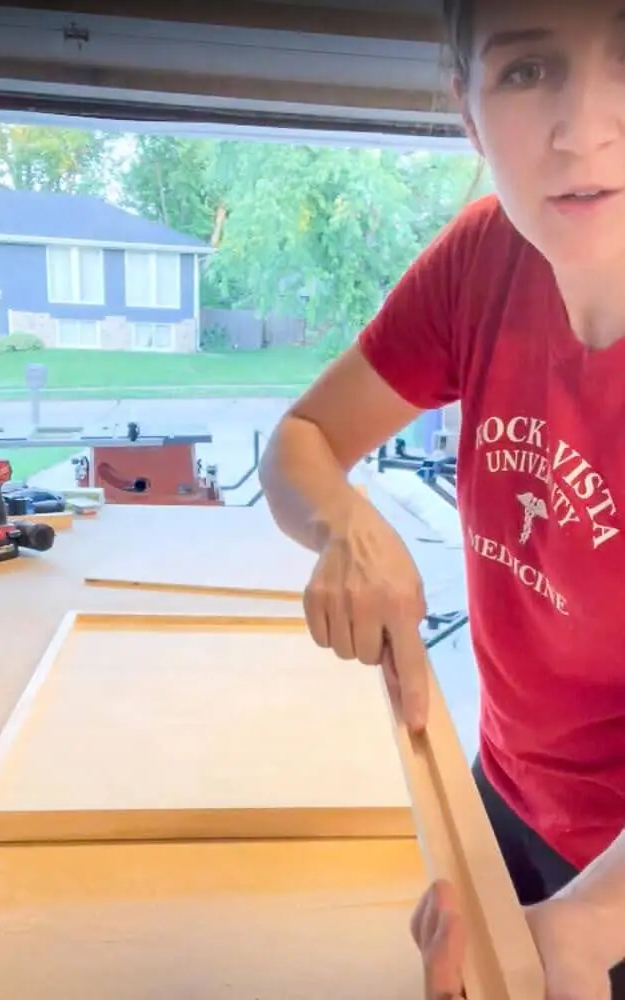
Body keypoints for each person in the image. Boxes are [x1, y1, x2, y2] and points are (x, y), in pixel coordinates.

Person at [259, 0, 625, 995]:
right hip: (502, 792)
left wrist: (592, 921)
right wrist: (348, 528)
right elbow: (299, 440)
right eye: (526, 71)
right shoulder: (481, 258)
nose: (582, 129)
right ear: (467, 111)